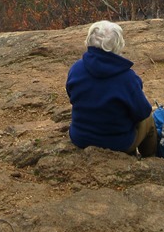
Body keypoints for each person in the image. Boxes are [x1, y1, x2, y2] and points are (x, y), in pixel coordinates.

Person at [66, 20, 158, 157]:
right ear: (118, 45)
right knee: (149, 121)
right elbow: (142, 112)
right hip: (117, 144)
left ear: (89, 40)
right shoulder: (128, 78)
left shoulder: (76, 69)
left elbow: (71, 95)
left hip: (80, 138)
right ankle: (151, 160)